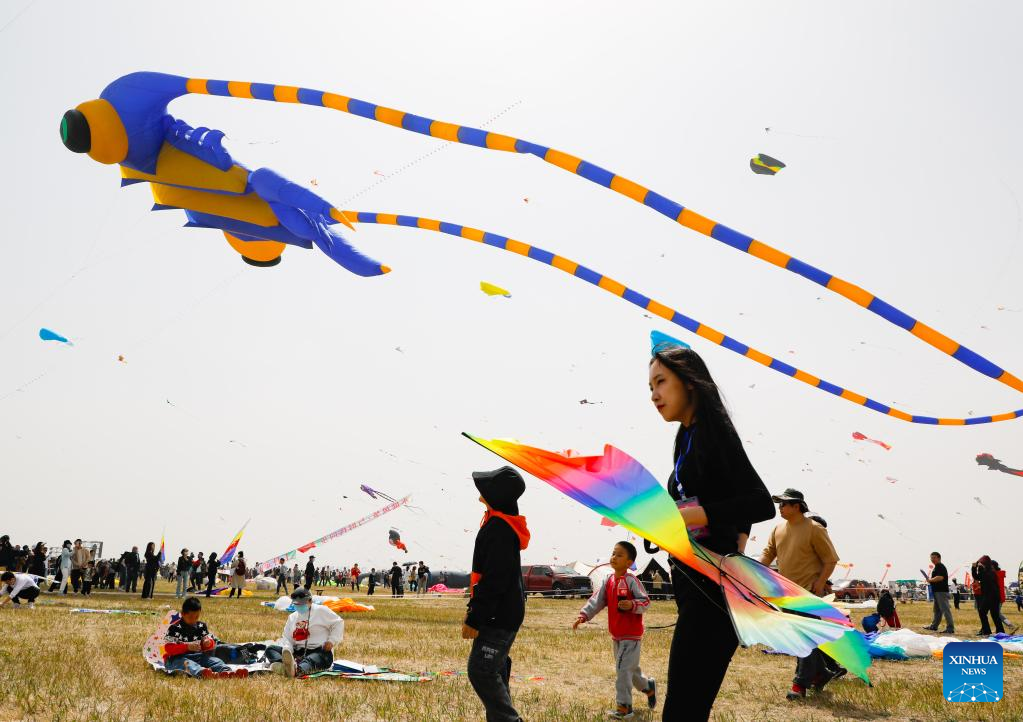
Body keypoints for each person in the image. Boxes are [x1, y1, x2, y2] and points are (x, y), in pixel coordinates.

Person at [648, 342, 775, 720]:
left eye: (661, 382)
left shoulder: (713, 431)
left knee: (683, 711)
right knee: (687, 708)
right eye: (650, 387)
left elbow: (759, 502)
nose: (654, 395)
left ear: (688, 382)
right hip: (693, 583)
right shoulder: (685, 437)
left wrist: (701, 520)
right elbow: (718, 498)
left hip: (713, 591)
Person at [759, 488, 841, 701]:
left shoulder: (815, 529)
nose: (780, 507)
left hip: (808, 592)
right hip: (785, 593)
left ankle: (799, 684)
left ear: (797, 506)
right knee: (802, 638)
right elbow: (769, 553)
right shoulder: (778, 529)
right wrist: (753, 572)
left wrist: (820, 582)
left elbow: (830, 559)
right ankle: (821, 674)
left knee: (803, 638)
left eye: (784, 504)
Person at [463, 466, 530, 722]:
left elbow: (494, 580)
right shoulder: (500, 525)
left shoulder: (499, 530)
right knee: (495, 668)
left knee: (481, 670)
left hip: (498, 615)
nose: (480, 493)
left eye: (485, 489)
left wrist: (475, 617)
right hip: (504, 612)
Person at [574, 541, 655, 719]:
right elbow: (598, 600)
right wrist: (584, 615)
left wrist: (632, 604)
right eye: (613, 553)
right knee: (630, 671)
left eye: (620, 555)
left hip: (631, 636)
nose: (614, 557)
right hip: (616, 635)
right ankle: (648, 686)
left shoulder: (632, 580)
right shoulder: (608, 580)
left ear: (629, 562)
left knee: (622, 670)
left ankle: (624, 707)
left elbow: (646, 602)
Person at [265, 587, 343, 677]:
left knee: (311, 660)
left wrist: (331, 641)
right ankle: (286, 666)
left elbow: (338, 623)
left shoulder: (321, 610)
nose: (299, 606)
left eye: (301, 603)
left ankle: (297, 670)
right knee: (270, 649)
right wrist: (288, 651)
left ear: (310, 601)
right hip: (298, 652)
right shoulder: (292, 617)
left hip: (319, 651)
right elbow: (287, 638)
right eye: (296, 604)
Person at [163, 596, 244, 678]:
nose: (194, 620)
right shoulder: (174, 628)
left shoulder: (201, 626)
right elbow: (168, 649)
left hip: (199, 657)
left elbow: (210, 645)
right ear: (183, 614)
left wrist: (207, 643)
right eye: (190, 617)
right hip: (177, 659)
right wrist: (187, 647)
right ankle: (202, 673)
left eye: (197, 617)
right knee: (187, 663)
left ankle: (227, 672)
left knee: (215, 661)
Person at [922, 552, 954, 634]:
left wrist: (930, 580)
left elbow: (940, 577)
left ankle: (950, 628)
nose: (932, 559)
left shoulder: (940, 566)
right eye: (931, 558)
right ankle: (934, 626)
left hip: (941, 591)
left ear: (939, 558)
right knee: (937, 610)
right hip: (937, 591)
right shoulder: (936, 567)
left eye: (934, 558)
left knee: (945, 610)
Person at [973, 556, 1004, 636]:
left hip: (991, 596)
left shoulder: (988, 572)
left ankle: (987, 631)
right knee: (993, 614)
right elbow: (978, 577)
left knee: (984, 612)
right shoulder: (989, 572)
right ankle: (999, 631)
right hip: (992, 596)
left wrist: (975, 568)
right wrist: (976, 567)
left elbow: (978, 576)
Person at [991, 560, 1016, 632]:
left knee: (997, 614)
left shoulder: (996, 574)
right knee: (996, 613)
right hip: (999, 596)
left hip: (998, 597)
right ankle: (1001, 627)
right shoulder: (999, 574)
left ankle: (1010, 625)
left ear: (993, 566)